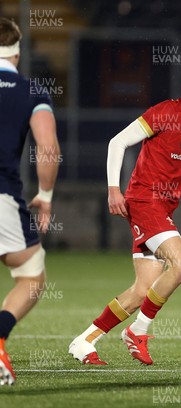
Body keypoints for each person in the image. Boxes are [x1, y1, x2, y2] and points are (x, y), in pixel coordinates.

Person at [68, 59, 181, 365]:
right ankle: (137, 330)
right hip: (143, 201)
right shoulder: (166, 112)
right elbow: (118, 142)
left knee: (142, 290)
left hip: (163, 208)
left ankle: (84, 341)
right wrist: (114, 189)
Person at [0, 18, 61, 386]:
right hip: (3, 195)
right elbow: (48, 147)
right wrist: (46, 196)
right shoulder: (31, 90)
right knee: (31, 275)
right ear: (18, 53)